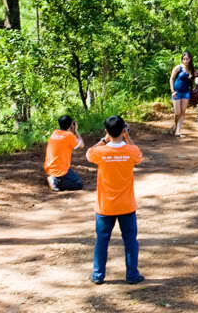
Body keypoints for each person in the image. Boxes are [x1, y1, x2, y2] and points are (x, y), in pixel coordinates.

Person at [87, 116, 144, 285]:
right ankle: (132, 275)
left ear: (107, 131)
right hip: (126, 206)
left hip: (105, 207)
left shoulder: (100, 152)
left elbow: (88, 153)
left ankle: (98, 275)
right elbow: (138, 155)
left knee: (102, 241)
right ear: (123, 130)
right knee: (130, 241)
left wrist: (104, 140)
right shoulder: (131, 151)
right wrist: (128, 137)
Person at [43, 115, 85, 191]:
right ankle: (55, 182)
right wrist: (75, 130)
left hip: (49, 168)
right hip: (60, 170)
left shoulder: (55, 132)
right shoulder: (69, 135)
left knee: (70, 174)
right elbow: (82, 145)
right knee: (78, 184)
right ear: (71, 125)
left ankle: (53, 177)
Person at [170, 51, 195, 137]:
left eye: (187, 59)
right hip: (177, 92)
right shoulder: (178, 67)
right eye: (184, 59)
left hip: (186, 93)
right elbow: (172, 79)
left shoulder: (191, 69)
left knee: (183, 112)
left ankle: (178, 131)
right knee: (177, 113)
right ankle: (175, 125)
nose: (185, 61)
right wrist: (172, 91)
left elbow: (193, 80)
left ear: (190, 59)